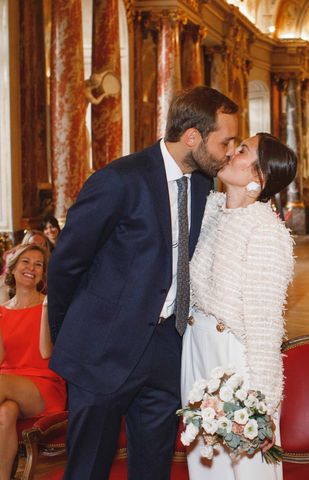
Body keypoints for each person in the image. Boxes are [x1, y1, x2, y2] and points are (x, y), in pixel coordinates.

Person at [47, 86, 239, 480]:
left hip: (168, 351)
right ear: (192, 137)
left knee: (153, 469)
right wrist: (72, 337)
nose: (230, 151)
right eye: (225, 141)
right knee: (88, 469)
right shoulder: (119, 180)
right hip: (102, 351)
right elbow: (67, 264)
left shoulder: (202, 185)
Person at [182, 133, 297, 480]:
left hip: (234, 360)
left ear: (259, 178)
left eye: (243, 150)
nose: (231, 152)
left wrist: (263, 405)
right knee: (205, 469)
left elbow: (265, 328)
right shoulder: (211, 210)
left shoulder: (267, 232)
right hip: (195, 351)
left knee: (248, 470)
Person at [0, 244, 66, 480]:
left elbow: (46, 353)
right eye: (25, 262)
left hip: (43, 384)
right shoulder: (2, 311)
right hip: (7, 386)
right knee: (6, 413)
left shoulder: (48, 304)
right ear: (13, 268)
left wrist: (46, 310)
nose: (31, 268)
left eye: (38, 264)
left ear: (43, 273)